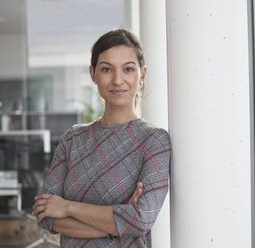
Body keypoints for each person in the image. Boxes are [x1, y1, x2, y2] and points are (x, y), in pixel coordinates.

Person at [32, 28, 171, 248]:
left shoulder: (154, 141)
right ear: (93, 75)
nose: (118, 80)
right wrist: (118, 225)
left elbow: (142, 219)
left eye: (128, 69)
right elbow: (45, 215)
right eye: (107, 69)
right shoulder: (72, 139)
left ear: (142, 76)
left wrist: (67, 207)